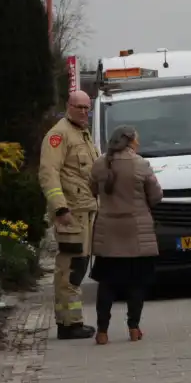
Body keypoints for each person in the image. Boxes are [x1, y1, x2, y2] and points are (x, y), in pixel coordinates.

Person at [88, 125, 163, 345]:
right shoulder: (141, 164)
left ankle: (102, 332)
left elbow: (93, 189)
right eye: (136, 139)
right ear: (130, 141)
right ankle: (133, 328)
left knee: (107, 284)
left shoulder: (100, 164)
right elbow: (156, 195)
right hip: (137, 233)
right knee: (136, 284)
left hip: (108, 232)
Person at [39, 90, 100, 340]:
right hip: (71, 214)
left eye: (87, 107)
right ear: (68, 106)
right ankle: (68, 323)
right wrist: (60, 207)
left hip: (86, 211)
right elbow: (48, 173)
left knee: (79, 266)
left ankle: (72, 321)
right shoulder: (59, 134)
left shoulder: (81, 134)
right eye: (79, 107)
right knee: (69, 268)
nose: (84, 111)